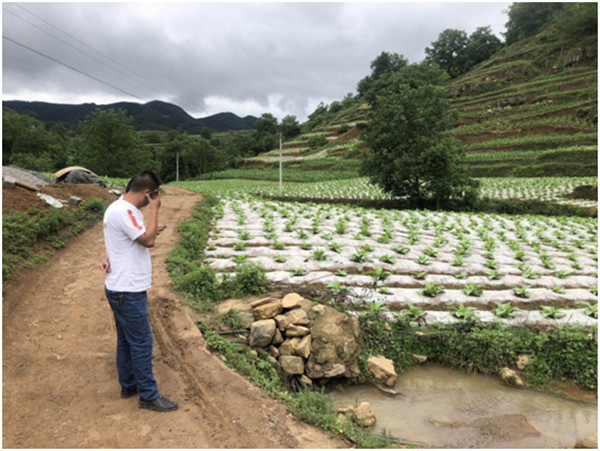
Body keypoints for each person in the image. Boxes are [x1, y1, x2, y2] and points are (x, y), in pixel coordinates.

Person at [99, 170, 177, 412]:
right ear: (148, 194)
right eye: (152, 198)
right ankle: (148, 395)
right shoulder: (126, 211)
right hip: (128, 291)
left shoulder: (117, 208)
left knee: (125, 340)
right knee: (142, 343)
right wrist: (155, 210)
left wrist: (153, 226)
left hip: (119, 287)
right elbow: (147, 240)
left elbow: (125, 238)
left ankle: (129, 385)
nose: (150, 203)